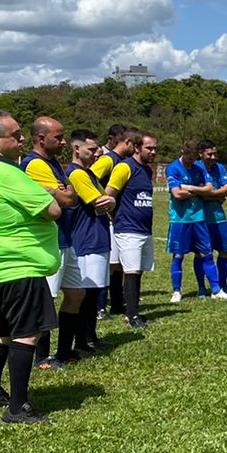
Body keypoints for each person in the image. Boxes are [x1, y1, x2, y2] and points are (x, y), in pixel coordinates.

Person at [0, 110, 62, 424]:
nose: (22, 140)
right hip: (21, 264)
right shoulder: (7, 173)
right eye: (16, 135)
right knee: (26, 334)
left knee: (0, 332)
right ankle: (18, 407)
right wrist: (46, 193)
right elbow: (54, 209)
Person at [20, 117, 80, 370]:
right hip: (48, 239)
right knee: (47, 298)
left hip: (66, 237)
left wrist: (59, 190)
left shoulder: (53, 162)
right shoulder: (33, 164)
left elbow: (72, 195)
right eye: (59, 137)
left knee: (77, 293)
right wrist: (62, 192)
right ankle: (42, 356)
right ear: (41, 138)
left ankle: (64, 350)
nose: (64, 141)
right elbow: (66, 199)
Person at [60, 130, 116, 358]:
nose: (96, 155)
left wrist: (109, 202)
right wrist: (111, 200)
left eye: (98, 151)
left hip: (97, 238)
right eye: (91, 150)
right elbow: (99, 202)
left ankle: (88, 337)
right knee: (85, 295)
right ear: (76, 149)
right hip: (86, 240)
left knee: (94, 294)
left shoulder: (88, 173)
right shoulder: (76, 174)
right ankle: (81, 340)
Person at [105, 131, 159, 328]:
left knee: (139, 271)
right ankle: (132, 315)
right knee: (131, 271)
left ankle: (130, 309)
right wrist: (112, 216)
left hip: (145, 229)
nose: (153, 152)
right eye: (149, 148)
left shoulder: (147, 170)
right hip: (127, 229)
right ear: (136, 147)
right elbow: (109, 195)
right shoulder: (124, 168)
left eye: (155, 148)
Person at [92, 126, 139, 319]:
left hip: (116, 218)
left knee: (117, 263)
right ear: (127, 142)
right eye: (135, 145)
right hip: (103, 218)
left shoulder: (121, 161)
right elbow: (89, 178)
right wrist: (101, 202)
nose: (137, 149)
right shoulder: (108, 159)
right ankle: (99, 307)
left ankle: (117, 303)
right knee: (106, 263)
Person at [165, 141, 219, 304]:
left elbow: (209, 189)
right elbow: (177, 195)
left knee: (206, 254)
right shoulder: (173, 168)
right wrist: (199, 191)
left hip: (199, 217)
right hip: (180, 219)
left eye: (194, 158)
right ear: (183, 152)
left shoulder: (199, 167)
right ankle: (176, 291)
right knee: (178, 256)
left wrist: (189, 188)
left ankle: (216, 290)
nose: (191, 161)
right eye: (189, 157)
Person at [196, 140, 227, 297]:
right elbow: (197, 194)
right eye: (209, 154)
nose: (213, 157)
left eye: (215, 154)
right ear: (200, 154)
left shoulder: (219, 167)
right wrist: (216, 195)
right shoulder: (195, 168)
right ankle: (201, 287)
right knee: (201, 253)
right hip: (201, 218)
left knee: (225, 251)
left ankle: (223, 285)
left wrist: (210, 194)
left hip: (219, 217)